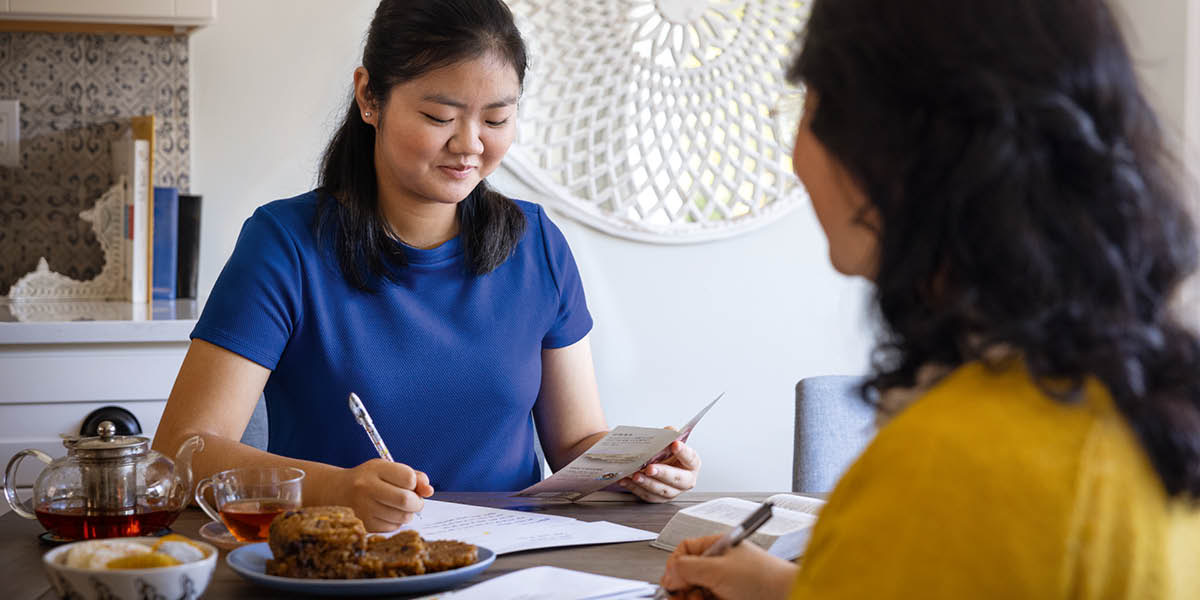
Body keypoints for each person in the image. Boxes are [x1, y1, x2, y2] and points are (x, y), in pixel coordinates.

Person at [661, 0, 1200, 597]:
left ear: (894, 148)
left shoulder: (949, 468)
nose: (796, 155)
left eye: (809, 105)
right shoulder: (1139, 408)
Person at [152, 0, 700, 533]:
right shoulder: (285, 243)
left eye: (496, 118)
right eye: (439, 116)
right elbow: (182, 449)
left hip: (513, 564)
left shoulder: (538, 245)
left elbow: (575, 444)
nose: (469, 145)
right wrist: (336, 491)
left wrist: (635, 467)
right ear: (369, 97)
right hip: (344, 560)